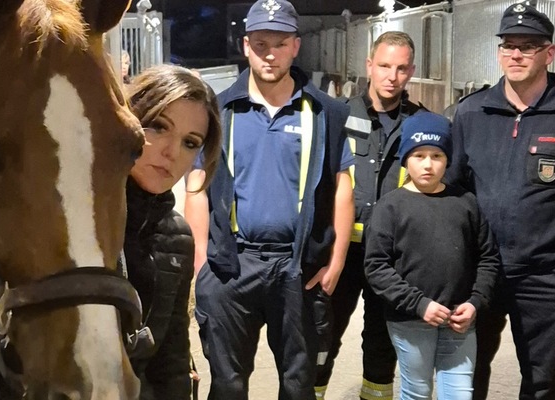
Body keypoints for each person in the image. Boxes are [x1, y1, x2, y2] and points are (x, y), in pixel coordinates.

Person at [0, 64, 223, 400]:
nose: (172, 152)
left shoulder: (174, 238)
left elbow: (170, 362)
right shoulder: (58, 207)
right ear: (127, 121)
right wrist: (18, 347)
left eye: (190, 142)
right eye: (159, 127)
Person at [184, 0, 355, 398]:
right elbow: (197, 184)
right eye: (261, 43)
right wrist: (200, 265)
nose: (270, 53)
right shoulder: (219, 110)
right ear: (246, 45)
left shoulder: (326, 112)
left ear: (296, 46)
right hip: (231, 267)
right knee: (227, 384)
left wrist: (337, 261)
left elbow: (342, 186)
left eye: (280, 43)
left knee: (298, 385)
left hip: (297, 268)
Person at [446, 3, 555, 399]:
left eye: (528, 46)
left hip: (544, 275)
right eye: (509, 45)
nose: (516, 54)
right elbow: (454, 191)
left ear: (549, 53)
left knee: (545, 380)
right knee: (466, 374)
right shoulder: (471, 111)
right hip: (481, 272)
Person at [314, 31, 426, 400]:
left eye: (400, 68)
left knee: (382, 346)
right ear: (368, 66)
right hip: (340, 251)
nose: (391, 76)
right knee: (319, 337)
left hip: (393, 257)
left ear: (411, 71)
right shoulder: (338, 115)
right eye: (383, 66)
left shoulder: (421, 125)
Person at [364, 111, 499, 400]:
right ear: (406, 160)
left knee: (460, 394)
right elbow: (376, 267)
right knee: (417, 391)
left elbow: (488, 258)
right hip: (410, 320)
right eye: (419, 155)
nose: (428, 164)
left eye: (436, 156)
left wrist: (475, 303)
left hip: (459, 319)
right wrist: (419, 304)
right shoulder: (390, 207)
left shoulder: (466, 203)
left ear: (447, 159)